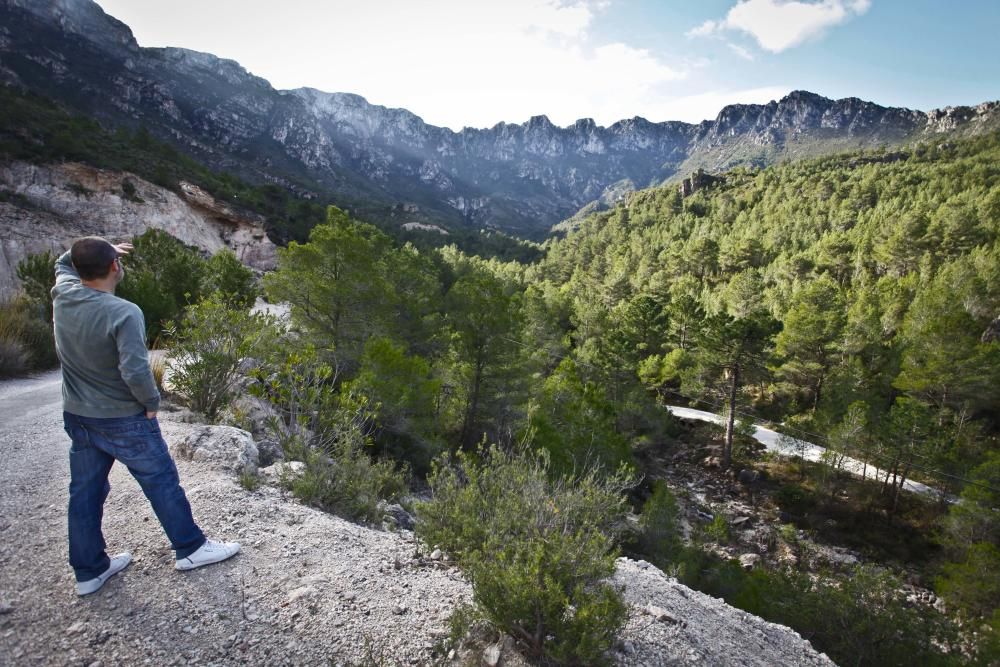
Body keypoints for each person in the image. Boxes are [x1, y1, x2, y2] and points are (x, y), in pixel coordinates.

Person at [53, 236, 240, 596]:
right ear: (114, 267)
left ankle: (89, 571)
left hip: (78, 415)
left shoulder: (63, 294)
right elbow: (135, 369)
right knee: (161, 481)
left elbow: (63, 265)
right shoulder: (123, 311)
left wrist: (96, 250)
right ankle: (190, 548)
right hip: (123, 418)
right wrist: (152, 402)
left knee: (85, 493)